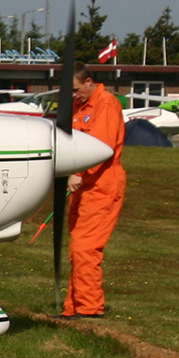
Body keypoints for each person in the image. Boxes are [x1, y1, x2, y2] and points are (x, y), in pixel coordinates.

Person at [63, 63, 125, 319]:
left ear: (89, 81)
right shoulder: (79, 105)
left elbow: (100, 146)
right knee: (76, 248)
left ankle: (89, 309)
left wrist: (77, 172)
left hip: (101, 185)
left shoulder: (106, 104)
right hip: (81, 186)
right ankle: (73, 308)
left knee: (85, 247)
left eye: (76, 90)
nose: (73, 96)